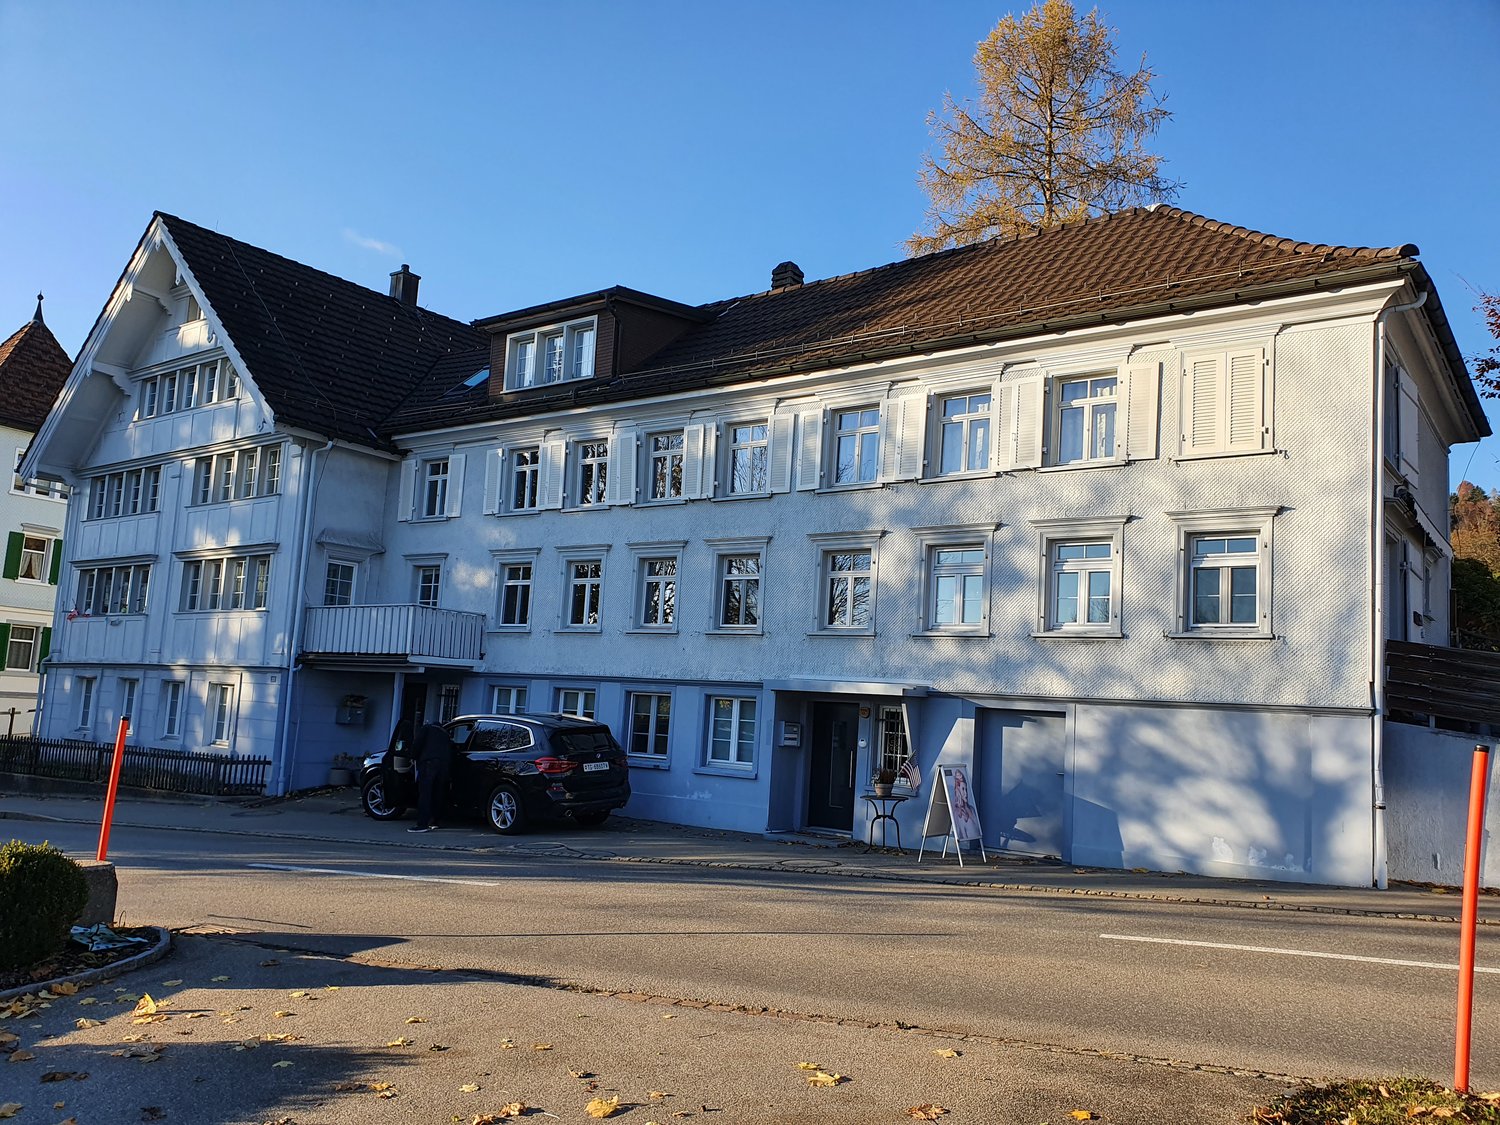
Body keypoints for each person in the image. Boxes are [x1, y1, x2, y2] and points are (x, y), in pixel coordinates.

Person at [408, 720, 453, 833]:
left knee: (425, 793)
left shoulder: (426, 729)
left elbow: (417, 744)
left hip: (428, 762)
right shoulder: (445, 734)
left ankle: (422, 824)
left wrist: (412, 756)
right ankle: (435, 821)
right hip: (444, 765)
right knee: (438, 793)